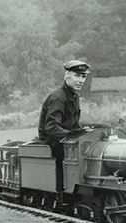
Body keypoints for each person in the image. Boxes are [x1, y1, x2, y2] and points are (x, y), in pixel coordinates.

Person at [38, 60, 90, 191]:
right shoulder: (58, 97)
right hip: (54, 146)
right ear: (67, 75)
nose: (81, 80)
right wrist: (74, 135)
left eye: (83, 76)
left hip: (65, 143)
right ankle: (68, 190)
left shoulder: (74, 96)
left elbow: (73, 124)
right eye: (77, 76)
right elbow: (51, 128)